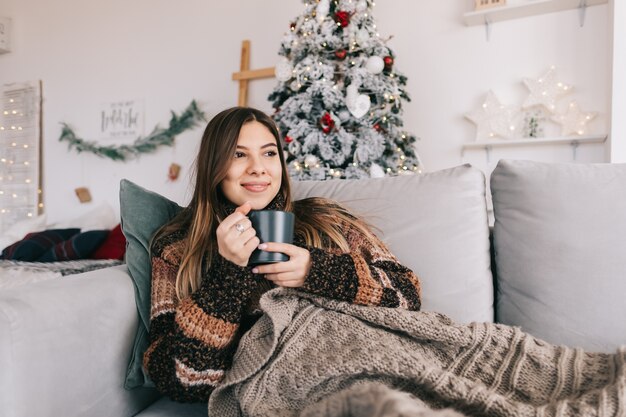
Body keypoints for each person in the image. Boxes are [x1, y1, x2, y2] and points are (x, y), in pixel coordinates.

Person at [143, 106, 422, 402]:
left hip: (367, 372)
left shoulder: (326, 218)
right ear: (214, 166)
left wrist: (315, 270)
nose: (258, 168)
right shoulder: (177, 247)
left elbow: (407, 294)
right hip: (283, 394)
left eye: (269, 153)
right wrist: (228, 270)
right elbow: (181, 381)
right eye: (239, 155)